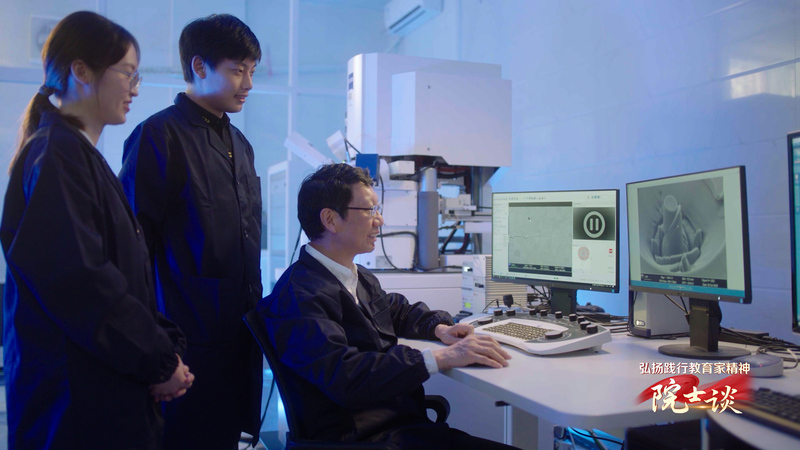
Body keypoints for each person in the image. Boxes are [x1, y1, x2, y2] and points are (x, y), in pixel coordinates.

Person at [0, 11, 194, 449]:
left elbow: (122, 281)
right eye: (127, 73)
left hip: (101, 391)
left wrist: (166, 350)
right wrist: (159, 361)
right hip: (76, 405)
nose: (134, 88)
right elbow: (82, 284)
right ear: (81, 71)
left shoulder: (78, 155)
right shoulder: (57, 156)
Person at [258, 163, 517, 449]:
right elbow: (347, 377)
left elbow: (394, 310)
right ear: (330, 220)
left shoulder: (352, 276)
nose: (379, 220)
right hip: (364, 439)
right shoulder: (300, 296)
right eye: (369, 210)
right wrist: (440, 358)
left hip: (397, 426)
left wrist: (440, 328)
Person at [119, 13, 263, 449]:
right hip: (184, 342)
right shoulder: (158, 136)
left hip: (239, 337)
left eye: (252, 71)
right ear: (199, 66)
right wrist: (154, 346)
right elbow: (131, 252)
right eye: (237, 70)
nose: (248, 84)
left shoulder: (241, 145)